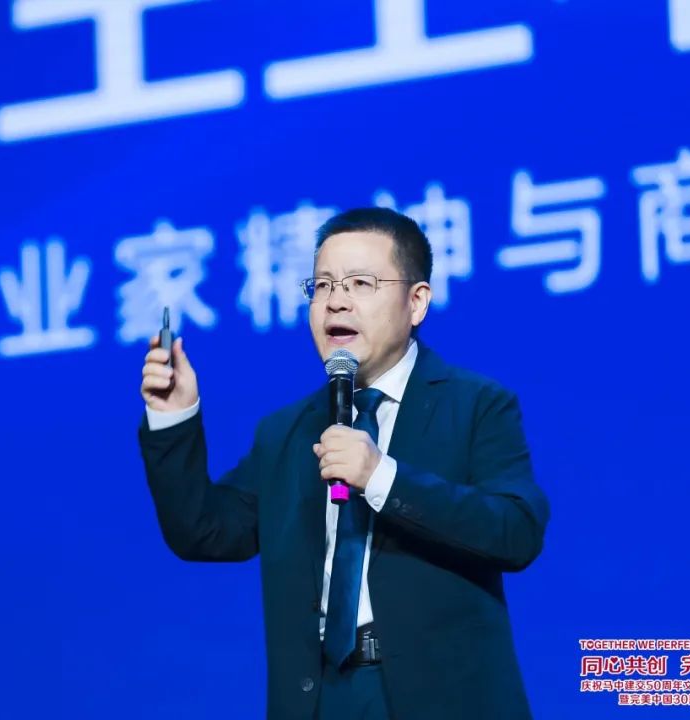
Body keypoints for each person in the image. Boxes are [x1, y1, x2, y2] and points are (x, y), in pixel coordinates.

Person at [138, 207, 550, 720]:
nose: (336, 300)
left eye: (360, 283)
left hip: (440, 698)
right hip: (321, 697)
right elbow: (204, 531)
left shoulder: (475, 405)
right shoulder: (286, 432)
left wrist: (381, 477)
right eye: (323, 285)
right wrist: (174, 417)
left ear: (416, 302)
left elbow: (516, 530)